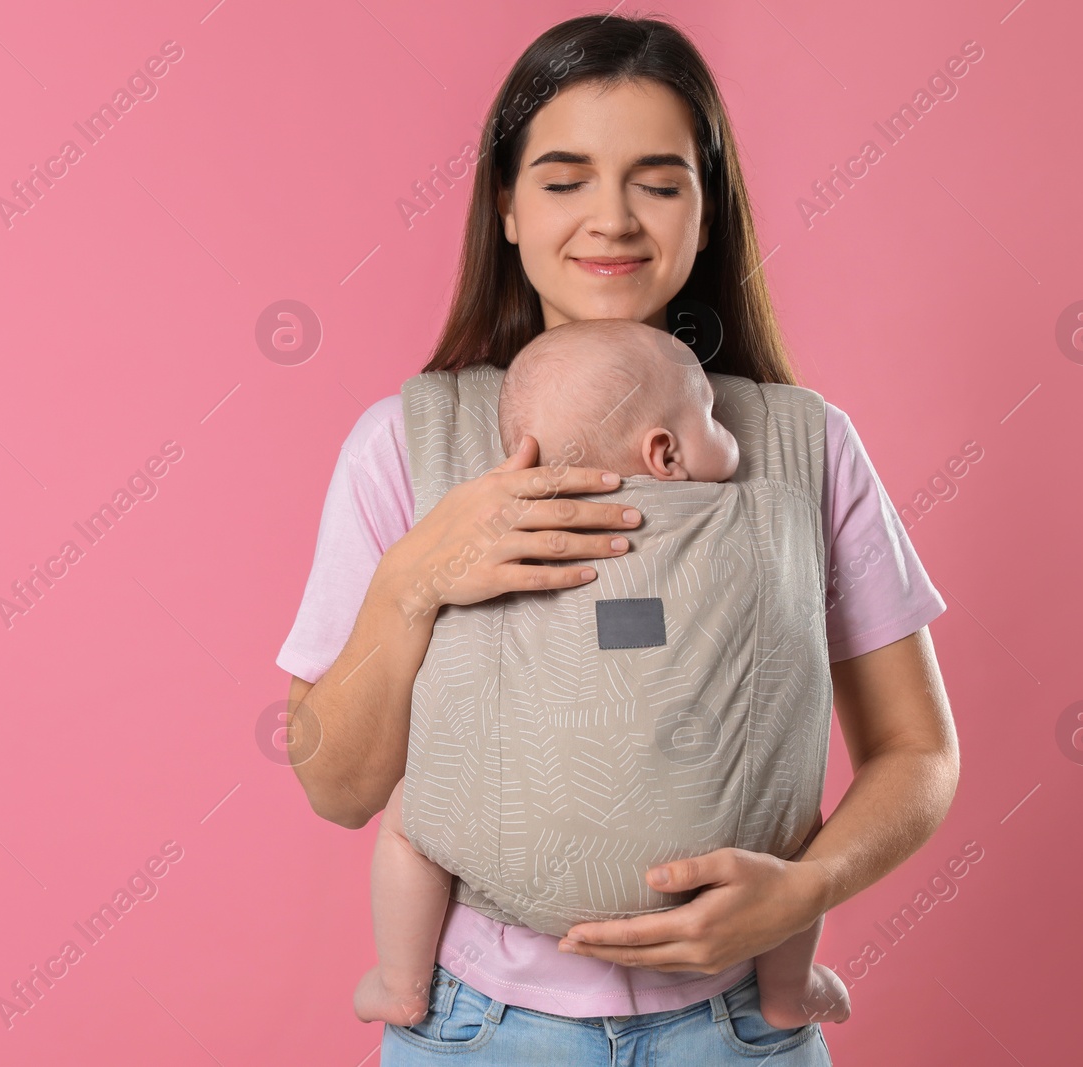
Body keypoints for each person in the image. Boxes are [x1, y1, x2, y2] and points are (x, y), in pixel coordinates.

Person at [277, 14, 958, 1064]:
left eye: (657, 178)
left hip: (738, 1027)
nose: (612, 218)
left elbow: (917, 751)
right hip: (477, 1027)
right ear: (504, 205)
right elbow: (337, 786)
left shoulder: (797, 445)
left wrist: (805, 890)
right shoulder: (408, 445)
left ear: (705, 207)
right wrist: (415, 577)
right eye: (562, 178)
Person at [355, 317, 851, 1032]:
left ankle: (399, 983)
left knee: (410, 820)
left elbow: (349, 792)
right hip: (722, 870)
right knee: (795, 822)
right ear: (666, 453)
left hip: (512, 878)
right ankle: (786, 990)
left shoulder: (470, 494)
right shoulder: (778, 492)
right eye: (712, 417)